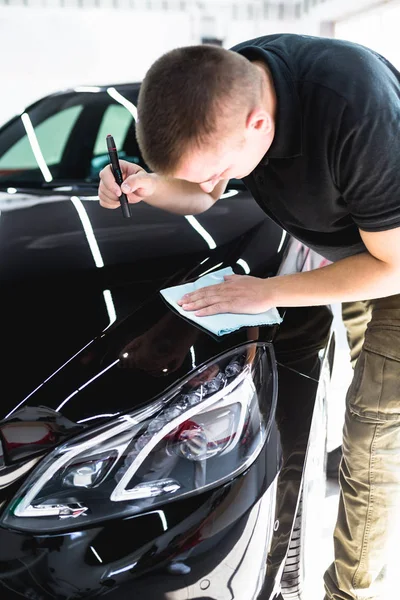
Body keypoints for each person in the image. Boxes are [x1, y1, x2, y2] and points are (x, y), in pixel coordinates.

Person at [98, 34, 400, 600]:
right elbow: (203, 194)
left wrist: (268, 292)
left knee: (375, 435)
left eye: (223, 166)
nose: (220, 178)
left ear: (260, 126)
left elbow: (393, 267)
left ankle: (350, 594)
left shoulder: (356, 107)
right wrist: (149, 184)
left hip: (393, 257)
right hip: (347, 247)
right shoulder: (225, 84)